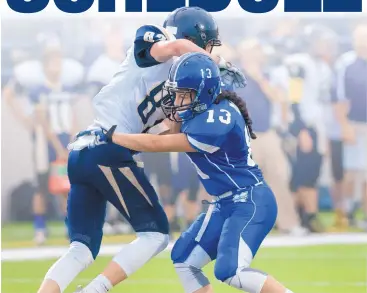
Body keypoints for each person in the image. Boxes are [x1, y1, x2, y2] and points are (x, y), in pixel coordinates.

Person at [36, 7, 246, 293]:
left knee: (82, 247)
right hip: (106, 147)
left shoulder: (185, 77)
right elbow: (177, 47)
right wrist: (216, 62)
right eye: (207, 45)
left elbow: (169, 133)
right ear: (198, 39)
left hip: (86, 151)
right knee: (155, 234)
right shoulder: (160, 41)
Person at [93, 52, 294, 293]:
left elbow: (159, 144)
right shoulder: (207, 109)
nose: (177, 100)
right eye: (176, 93)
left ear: (203, 92)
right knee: (184, 258)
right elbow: (170, 135)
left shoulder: (216, 120)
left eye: (183, 94)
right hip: (224, 202)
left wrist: (113, 136)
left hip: (249, 200)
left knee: (230, 270)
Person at [284, 25, 337, 232]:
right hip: (303, 126)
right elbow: (294, 99)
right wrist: (301, 129)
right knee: (302, 173)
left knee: (313, 171)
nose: (325, 46)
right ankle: (302, 216)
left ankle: (308, 216)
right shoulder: (299, 63)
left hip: (317, 125)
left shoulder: (322, 66)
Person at [334, 21, 367, 230]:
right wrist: (345, 126)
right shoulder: (345, 63)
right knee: (351, 174)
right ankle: (344, 213)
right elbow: (339, 99)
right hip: (354, 125)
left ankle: (364, 214)